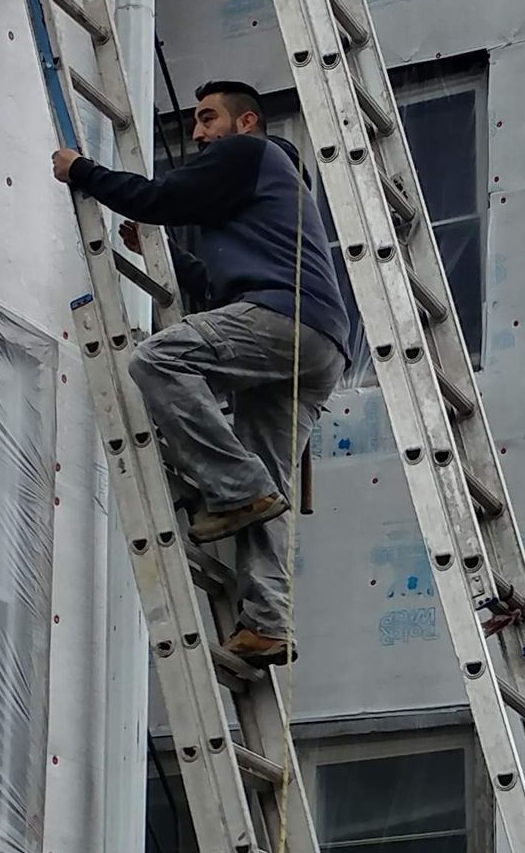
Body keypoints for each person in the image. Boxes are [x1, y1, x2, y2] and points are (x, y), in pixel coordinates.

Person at [54, 80, 349, 670]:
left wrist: (81, 170)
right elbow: (218, 291)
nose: (197, 132)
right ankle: (267, 623)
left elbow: (161, 197)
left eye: (208, 117)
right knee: (268, 488)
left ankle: (237, 488)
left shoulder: (250, 153)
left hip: (285, 319)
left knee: (157, 360)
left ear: (246, 122)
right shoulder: (267, 197)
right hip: (318, 344)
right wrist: (166, 256)